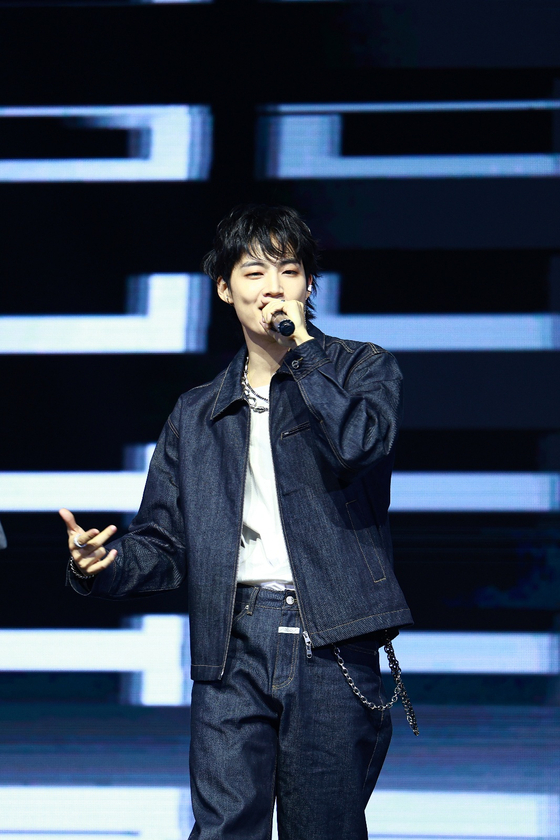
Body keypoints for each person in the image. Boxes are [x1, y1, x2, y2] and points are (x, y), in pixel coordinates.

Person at [60, 204, 415, 840]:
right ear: (225, 289)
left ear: (309, 284)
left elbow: (359, 444)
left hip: (332, 638)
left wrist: (302, 353)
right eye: (254, 272)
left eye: (289, 270)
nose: (273, 287)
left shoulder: (362, 369)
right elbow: (164, 543)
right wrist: (103, 565)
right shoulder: (197, 414)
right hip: (231, 642)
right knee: (223, 829)